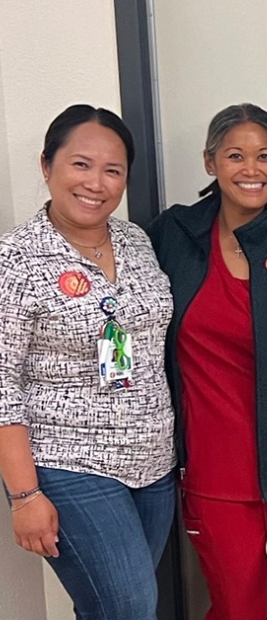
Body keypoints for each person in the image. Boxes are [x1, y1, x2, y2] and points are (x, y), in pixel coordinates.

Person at [146, 103, 267, 620]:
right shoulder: (173, 237)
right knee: (240, 608)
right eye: (235, 155)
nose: (250, 169)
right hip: (213, 471)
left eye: (264, 156)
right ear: (210, 162)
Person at [0, 105, 176, 619]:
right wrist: (24, 494)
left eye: (113, 170)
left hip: (153, 464)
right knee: (131, 607)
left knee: (110, 610)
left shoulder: (137, 242)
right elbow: (1, 381)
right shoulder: (16, 259)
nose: (96, 182)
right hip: (68, 462)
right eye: (81, 164)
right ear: (46, 165)